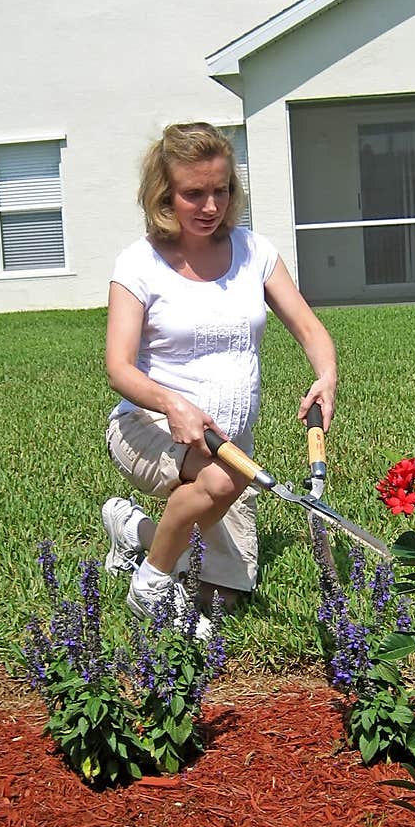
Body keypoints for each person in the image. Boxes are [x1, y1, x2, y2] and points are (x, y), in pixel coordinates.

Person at [102, 121, 337, 625]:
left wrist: (326, 373)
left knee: (223, 596)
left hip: (230, 445)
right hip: (149, 429)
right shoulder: (139, 264)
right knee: (217, 482)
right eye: (194, 194)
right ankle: (149, 590)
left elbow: (310, 328)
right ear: (164, 195)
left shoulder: (255, 252)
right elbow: (118, 367)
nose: (211, 207)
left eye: (222, 190)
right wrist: (172, 404)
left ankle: (134, 533)